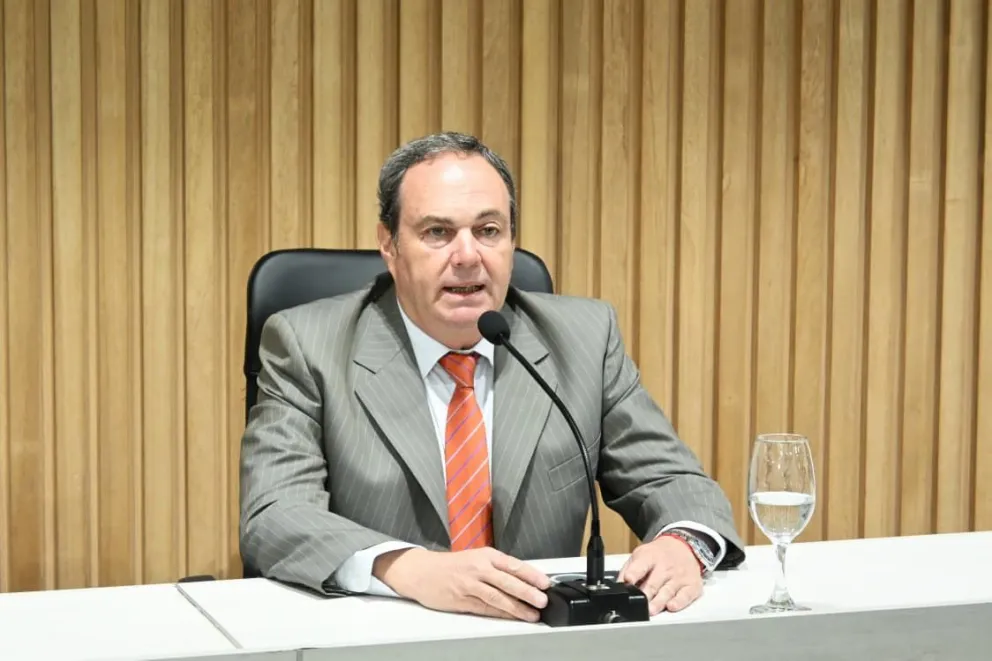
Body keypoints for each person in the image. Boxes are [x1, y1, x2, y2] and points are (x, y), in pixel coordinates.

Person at [239, 131, 745, 623]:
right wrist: (410, 568)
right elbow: (276, 513)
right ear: (389, 246)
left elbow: (670, 480)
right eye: (437, 232)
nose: (467, 256)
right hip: (382, 638)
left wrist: (684, 544)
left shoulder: (584, 340)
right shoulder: (309, 346)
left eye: (488, 231)